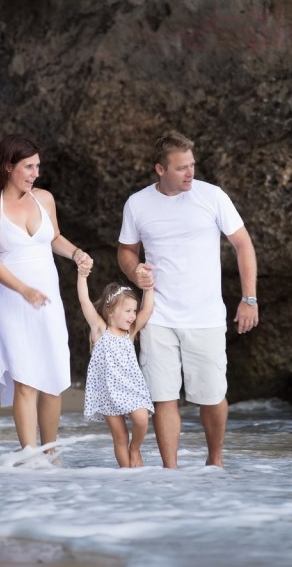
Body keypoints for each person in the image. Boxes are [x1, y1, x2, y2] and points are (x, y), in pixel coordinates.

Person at [118, 131, 258, 469]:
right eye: (181, 168)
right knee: (163, 397)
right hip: (157, 314)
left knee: (212, 397)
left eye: (192, 165)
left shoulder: (212, 196)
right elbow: (126, 251)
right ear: (160, 169)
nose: (190, 173)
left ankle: (215, 463)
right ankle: (171, 472)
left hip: (205, 316)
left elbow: (243, 245)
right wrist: (135, 271)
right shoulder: (137, 203)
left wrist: (249, 298)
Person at [0, 135, 92, 453]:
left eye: (37, 167)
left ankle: (50, 454)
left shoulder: (44, 199)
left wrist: (77, 253)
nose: (35, 173)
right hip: (11, 301)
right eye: (28, 167)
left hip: (47, 301)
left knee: (53, 379)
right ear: (8, 166)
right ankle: (31, 456)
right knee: (25, 380)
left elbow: (54, 238)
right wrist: (24, 289)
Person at [77, 263, 156, 468]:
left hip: (131, 388)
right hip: (107, 392)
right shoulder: (100, 329)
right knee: (120, 437)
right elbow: (84, 301)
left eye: (134, 311)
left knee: (141, 419)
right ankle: (126, 474)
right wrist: (82, 275)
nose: (133, 315)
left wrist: (148, 286)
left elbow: (147, 309)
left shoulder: (130, 332)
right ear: (111, 311)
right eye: (128, 311)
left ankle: (135, 449)